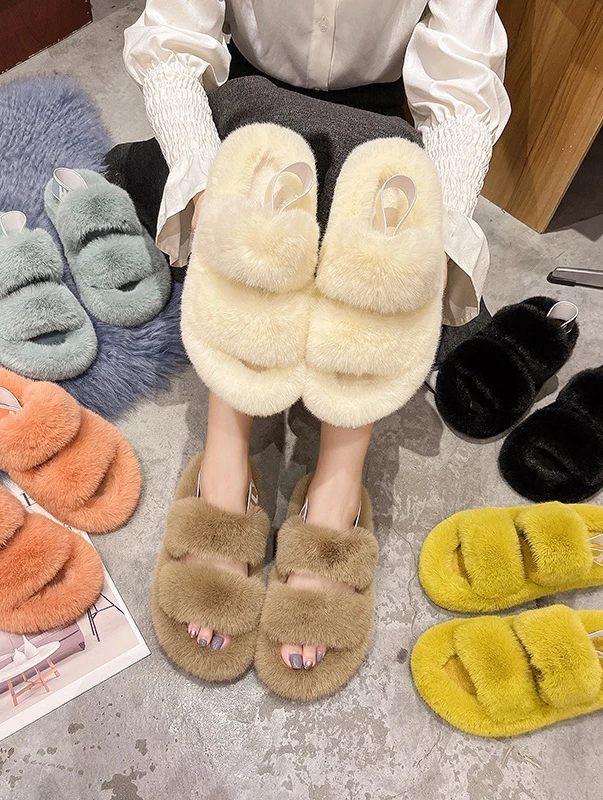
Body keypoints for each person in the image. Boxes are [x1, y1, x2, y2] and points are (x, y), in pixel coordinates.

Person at [115, 0, 510, 694]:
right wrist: (208, 184)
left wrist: (429, 231)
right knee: (255, 195)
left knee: (387, 234)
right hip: (251, 114)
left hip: (382, 134)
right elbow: (175, 43)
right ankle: (227, 457)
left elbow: (462, 89)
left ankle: (336, 481)